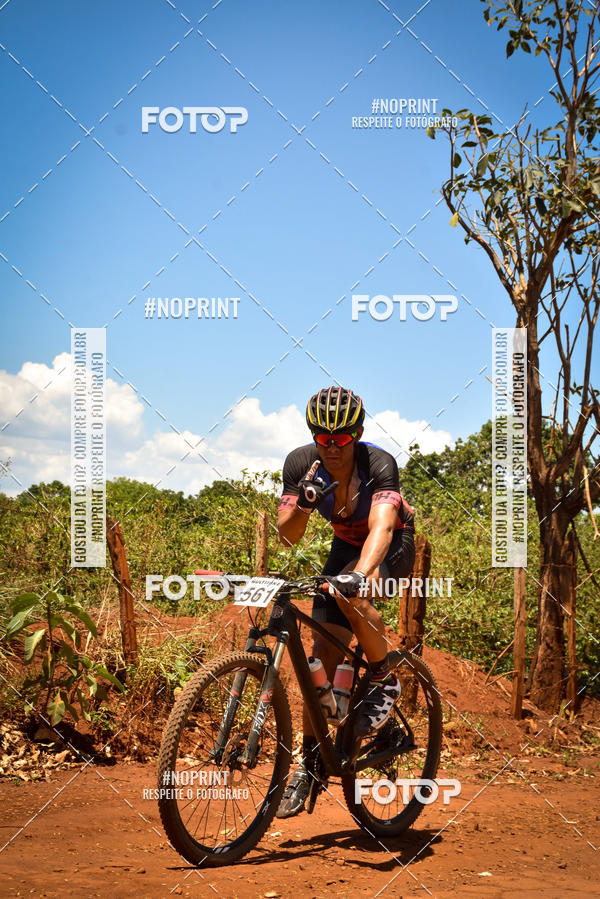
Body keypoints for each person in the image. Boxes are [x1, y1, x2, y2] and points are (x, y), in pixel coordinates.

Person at [276, 386, 415, 818]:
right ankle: (311, 761)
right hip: (343, 544)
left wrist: (360, 575)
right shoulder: (301, 463)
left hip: (389, 542)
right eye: (323, 437)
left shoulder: (378, 464)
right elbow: (286, 535)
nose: (332, 446)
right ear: (313, 435)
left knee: (352, 592)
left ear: (357, 433)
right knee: (321, 655)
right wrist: (305, 501)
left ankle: (382, 678)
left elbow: (382, 527)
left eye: (341, 437)